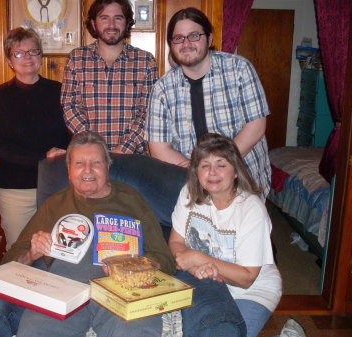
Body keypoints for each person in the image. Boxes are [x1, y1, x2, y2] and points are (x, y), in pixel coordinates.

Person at [0, 131, 175, 337]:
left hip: (119, 292)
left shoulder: (132, 201)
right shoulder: (55, 204)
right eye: (79, 163)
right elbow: (11, 260)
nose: (88, 171)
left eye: (96, 162)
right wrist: (32, 253)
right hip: (64, 290)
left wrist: (132, 267)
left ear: (107, 167)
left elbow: (165, 259)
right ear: (68, 170)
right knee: (34, 332)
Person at [145, 7, 271, 198]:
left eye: (194, 35)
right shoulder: (162, 89)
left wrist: (218, 166)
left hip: (244, 180)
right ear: (171, 44)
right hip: (191, 184)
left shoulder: (239, 69)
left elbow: (255, 127)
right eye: (178, 38)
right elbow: (159, 147)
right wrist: (199, 173)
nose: (186, 43)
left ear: (210, 39)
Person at [169, 133, 282, 337]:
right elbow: (176, 242)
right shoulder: (189, 193)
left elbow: (247, 277)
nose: (212, 172)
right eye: (204, 165)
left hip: (251, 291)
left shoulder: (251, 209)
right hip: (206, 281)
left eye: (221, 165)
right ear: (196, 171)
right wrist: (195, 267)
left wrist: (197, 258)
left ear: (236, 171)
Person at [0, 27, 71, 249]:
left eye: (33, 51)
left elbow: (71, 134)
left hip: (56, 185)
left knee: (57, 250)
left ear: (41, 56)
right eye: (19, 53)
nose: (27, 58)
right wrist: (42, 157)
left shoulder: (59, 91)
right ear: (9, 60)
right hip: (16, 190)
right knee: (19, 250)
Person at [61, 0, 158, 154]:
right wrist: (93, 145)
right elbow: (70, 106)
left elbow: (148, 112)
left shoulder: (145, 61)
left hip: (132, 157)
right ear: (93, 23)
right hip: (89, 155)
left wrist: (124, 148)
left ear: (127, 23)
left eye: (118, 18)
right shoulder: (76, 59)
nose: (111, 25)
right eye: (104, 18)